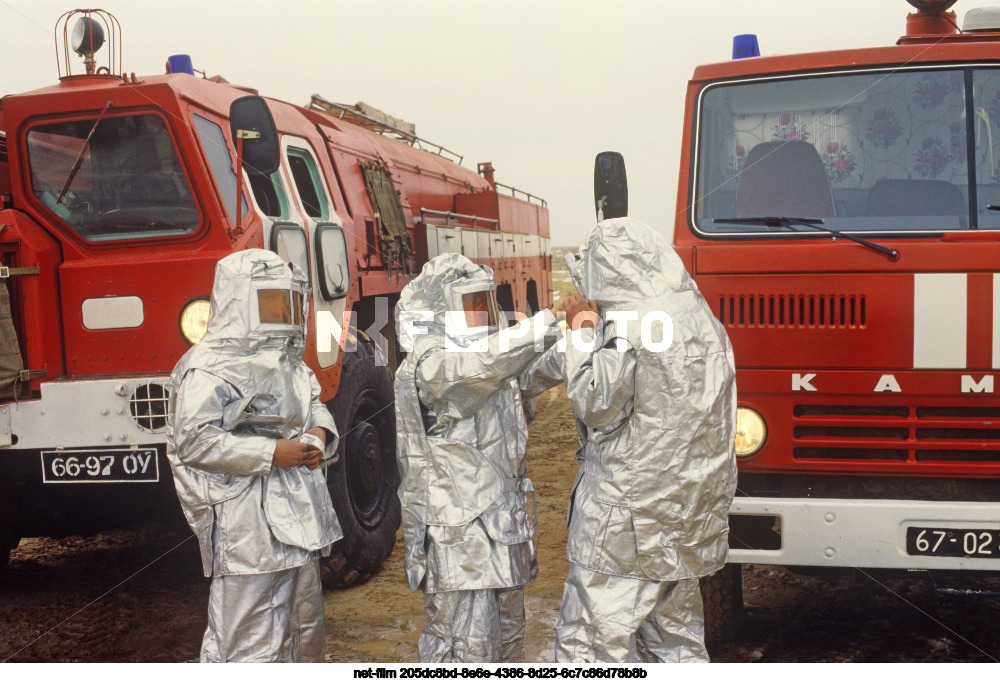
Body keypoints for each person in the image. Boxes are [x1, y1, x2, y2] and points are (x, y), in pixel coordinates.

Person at [554, 217, 737, 663]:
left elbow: (596, 401)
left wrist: (579, 330)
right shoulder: (701, 318)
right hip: (684, 516)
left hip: (626, 526)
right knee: (676, 642)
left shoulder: (631, 324)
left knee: (591, 645)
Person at [166, 249, 341, 663]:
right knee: (246, 641)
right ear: (239, 300)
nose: (284, 313)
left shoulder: (288, 362)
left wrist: (318, 434)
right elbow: (193, 442)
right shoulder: (207, 368)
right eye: (272, 302)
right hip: (245, 527)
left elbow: (313, 401)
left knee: (303, 628)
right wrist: (270, 453)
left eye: (289, 302)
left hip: (297, 520)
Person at [394, 252, 561, 662]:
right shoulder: (428, 364)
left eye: (486, 304)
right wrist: (547, 321)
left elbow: (535, 370)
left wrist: (593, 336)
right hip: (460, 537)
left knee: (506, 640)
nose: (484, 316)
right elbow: (479, 370)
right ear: (440, 310)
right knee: (465, 647)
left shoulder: (492, 357)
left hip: (502, 528)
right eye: (471, 306)